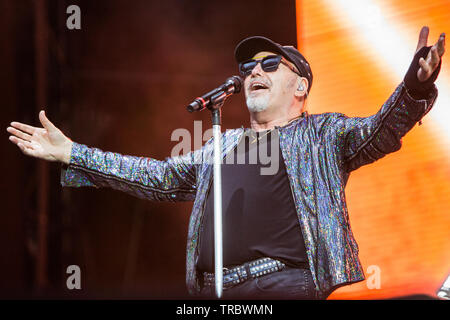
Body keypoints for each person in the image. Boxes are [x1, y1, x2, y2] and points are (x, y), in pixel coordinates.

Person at [7, 27, 445, 300]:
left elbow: (379, 131)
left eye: (270, 64)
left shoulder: (322, 135)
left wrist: (413, 88)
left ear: (301, 87)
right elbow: (156, 177)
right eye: (247, 66)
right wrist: (73, 153)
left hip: (285, 286)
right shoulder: (219, 145)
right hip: (217, 292)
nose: (254, 71)